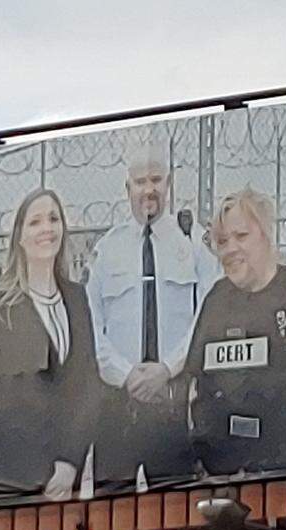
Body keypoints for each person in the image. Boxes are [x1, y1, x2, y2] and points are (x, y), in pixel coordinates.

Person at [85, 142, 220, 487]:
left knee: (175, 511)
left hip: (173, 401)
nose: (149, 190)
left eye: (156, 180)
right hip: (118, 404)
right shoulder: (107, 249)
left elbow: (208, 314)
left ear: (169, 184)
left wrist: (167, 369)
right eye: (140, 181)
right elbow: (91, 327)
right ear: (126, 187)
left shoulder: (193, 243)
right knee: (112, 516)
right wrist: (127, 375)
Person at [185, 188, 286, 475]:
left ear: (265, 233)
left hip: (282, 472)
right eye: (222, 241)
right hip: (221, 471)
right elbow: (195, 384)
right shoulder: (216, 299)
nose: (231, 248)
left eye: (241, 236)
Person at [0, 189, 105, 503]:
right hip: (13, 477)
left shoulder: (77, 298)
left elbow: (87, 385)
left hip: (65, 478)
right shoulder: (1, 307)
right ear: (19, 237)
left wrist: (69, 462)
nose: (46, 228)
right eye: (35, 222)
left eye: (53, 218)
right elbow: (6, 398)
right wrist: (49, 470)